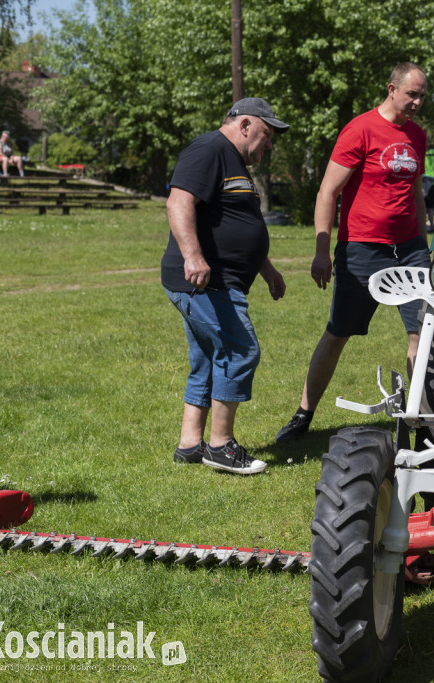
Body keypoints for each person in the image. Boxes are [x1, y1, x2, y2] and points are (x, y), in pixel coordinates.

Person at [276, 62, 430, 443]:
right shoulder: (359, 129)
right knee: (338, 332)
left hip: (410, 249)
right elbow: (327, 192)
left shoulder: (418, 136)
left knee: (422, 334)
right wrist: (321, 250)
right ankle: (303, 414)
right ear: (391, 89)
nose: (418, 102)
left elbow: (414, 192)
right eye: (412, 93)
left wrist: (425, 242)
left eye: (423, 95)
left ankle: (422, 416)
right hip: (363, 248)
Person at [161, 97, 288, 474]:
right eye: (267, 134)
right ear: (245, 125)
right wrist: (193, 256)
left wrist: (266, 270)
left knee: (206, 358)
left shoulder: (233, 162)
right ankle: (220, 446)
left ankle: (189, 444)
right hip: (204, 280)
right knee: (239, 350)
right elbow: (178, 202)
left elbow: (233, 220)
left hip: (218, 279)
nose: (270, 144)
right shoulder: (210, 149)